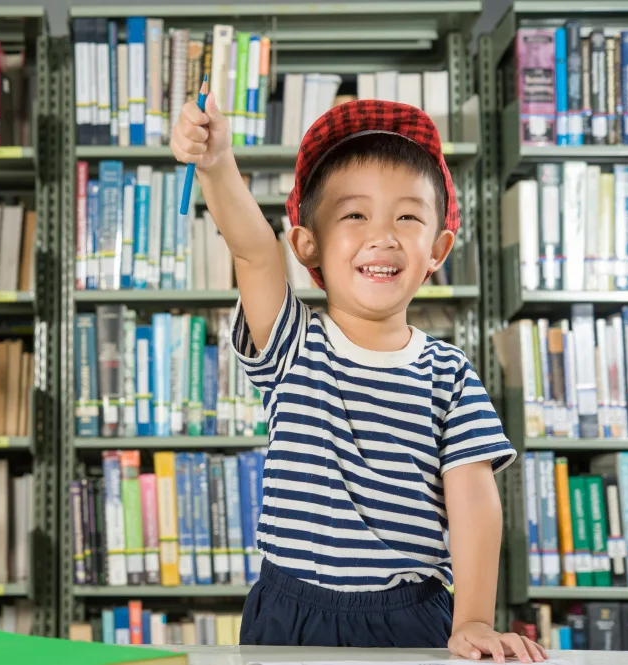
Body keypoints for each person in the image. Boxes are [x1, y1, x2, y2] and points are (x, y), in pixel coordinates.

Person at [170, 96, 546, 663]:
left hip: (412, 614)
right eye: (354, 215)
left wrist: (471, 617)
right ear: (306, 243)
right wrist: (218, 163)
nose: (384, 235)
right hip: (287, 612)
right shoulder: (293, 343)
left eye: (409, 217)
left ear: (438, 248)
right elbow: (253, 254)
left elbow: (473, 498)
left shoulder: (451, 375)